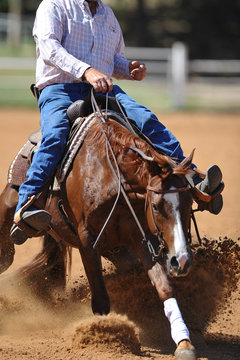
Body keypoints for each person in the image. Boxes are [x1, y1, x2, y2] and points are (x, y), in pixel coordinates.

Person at [10, 0, 223, 244]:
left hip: (104, 90)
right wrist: (86, 71)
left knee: (146, 120)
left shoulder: (107, 15)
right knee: (55, 134)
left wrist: (128, 69)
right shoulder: (54, 6)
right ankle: (26, 204)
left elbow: (113, 60)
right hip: (59, 89)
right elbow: (50, 49)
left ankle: (192, 179)